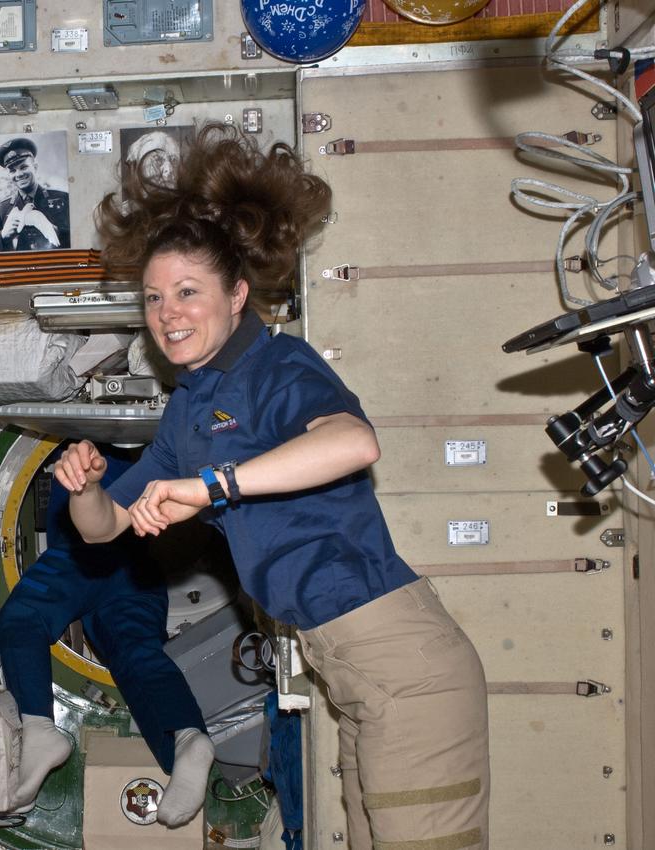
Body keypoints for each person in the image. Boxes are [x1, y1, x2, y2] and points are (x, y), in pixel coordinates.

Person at [54, 123, 490, 849]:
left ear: (238, 295)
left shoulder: (280, 368)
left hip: (402, 663)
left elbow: (353, 443)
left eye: (189, 292)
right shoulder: (192, 407)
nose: (168, 314)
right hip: (347, 671)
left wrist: (214, 485)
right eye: (155, 297)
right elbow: (108, 529)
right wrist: (85, 486)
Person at [0, 443, 214, 827]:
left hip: (91, 554)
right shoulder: (154, 450)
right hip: (141, 576)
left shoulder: (91, 449)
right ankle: (186, 734)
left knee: (23, 619)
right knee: (136, 655)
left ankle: (40, 729)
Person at [0, 137, 71, 252]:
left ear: (35, 167)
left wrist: (54, 230)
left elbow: (78, 237)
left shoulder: (63, 198)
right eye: (12, 170)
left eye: (23, 167)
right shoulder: (1, 209)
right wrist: (3, 235)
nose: (18, 174)